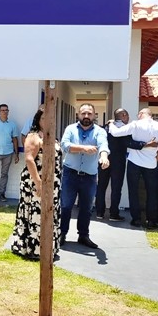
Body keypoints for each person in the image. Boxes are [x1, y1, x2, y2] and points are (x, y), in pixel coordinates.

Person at [109, 108, 158, 228]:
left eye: (138, 114)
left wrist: (111, 124)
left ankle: (136, 219)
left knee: (133, 191)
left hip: (134, 162)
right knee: (151, 193)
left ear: (141, 114)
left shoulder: (135, 124)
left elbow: (115, 133)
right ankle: (151, 220)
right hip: (151, 164)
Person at [11, 108, 62, 260]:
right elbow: (29, 159)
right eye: (44, 118)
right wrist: (38, 183)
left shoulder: (52, 137)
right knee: (36, 213)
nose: (47, 121)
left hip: (53, 183)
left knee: (50, 213)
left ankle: (48, 247)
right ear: (38, 120)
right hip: (36, 181)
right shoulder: (33, 136)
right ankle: (33, 248)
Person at [60, 103, 110, 249]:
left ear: (94, 115)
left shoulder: (99, 131)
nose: (86, 116)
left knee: (86, 208)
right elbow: (65, 145)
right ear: (78, 114)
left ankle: (83, 235)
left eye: (89, 113)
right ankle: (62, 234)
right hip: (70, 173)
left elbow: (103, 145)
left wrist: (104, 157)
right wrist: (83, 148)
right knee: (66, 206)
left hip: (89, 176)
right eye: (83, 113)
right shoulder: (70, 129)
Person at [94, 108, 149, 221]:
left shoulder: (107, 126)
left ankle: (99, 212)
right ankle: (114, 214)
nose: (128, 119)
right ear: (123, 115)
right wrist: (146, 144)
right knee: (116, 188)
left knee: (101, 186)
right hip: (118, 162)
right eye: (127, 116)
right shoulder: (124, 128)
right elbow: (129, 143)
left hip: (104, 159)